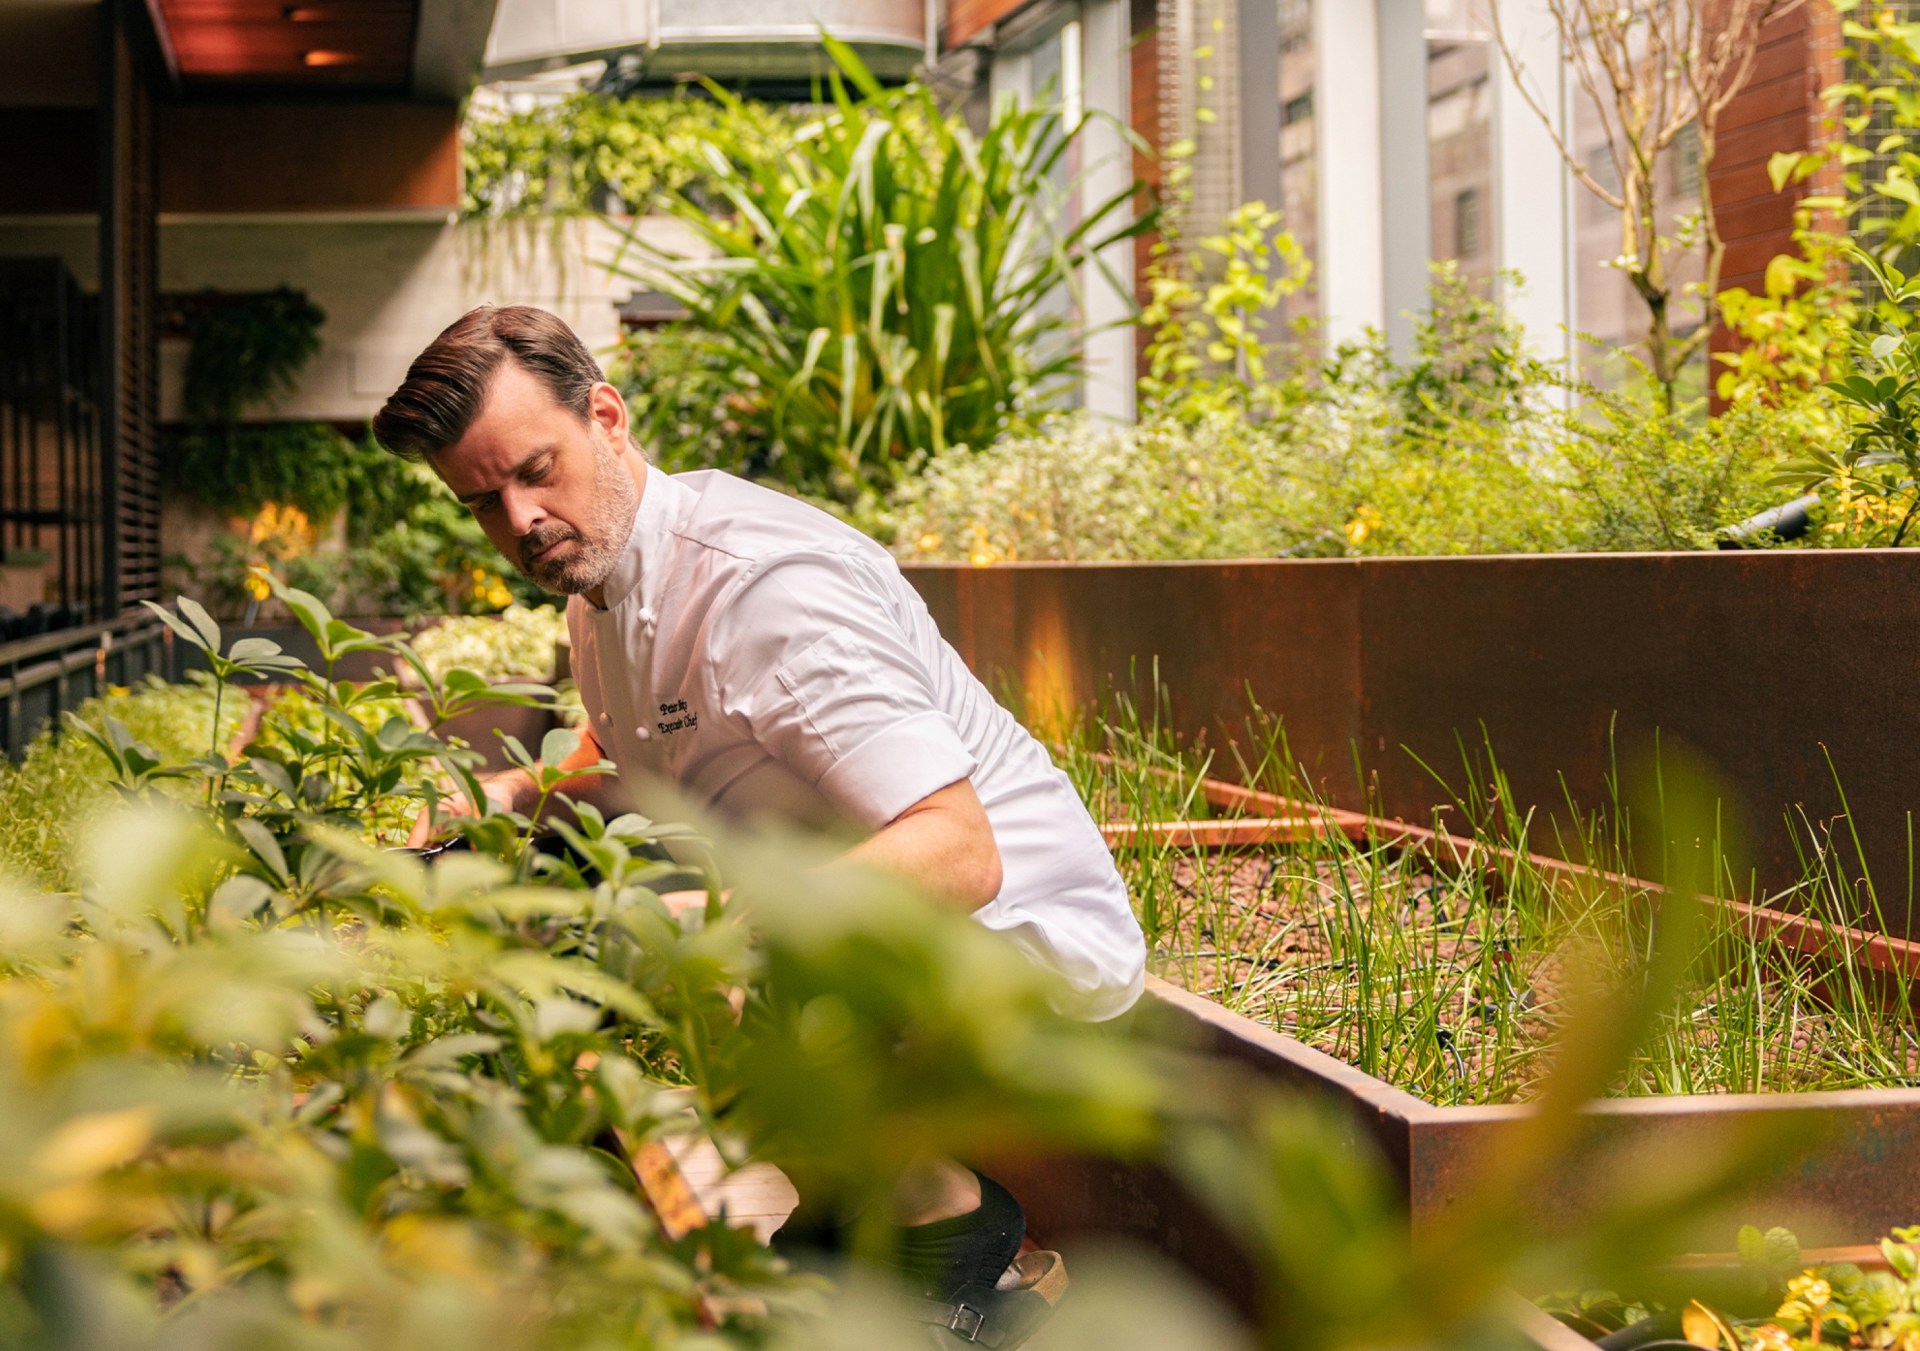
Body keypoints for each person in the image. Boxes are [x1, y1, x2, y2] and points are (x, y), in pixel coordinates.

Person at [376, 305, 1144, 1341]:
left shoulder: (764, 590)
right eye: (483, 501)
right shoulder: (600, 594)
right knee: (568, 868)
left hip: (1016, 946)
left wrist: (726, 916)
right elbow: (655, 774)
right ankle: (850, 1207)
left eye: (535, 470)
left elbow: (961, 849)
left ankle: (951, 1222)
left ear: (607, 415)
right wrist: (512, 796)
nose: (519, 520)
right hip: (855, 929)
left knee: (664, 924)